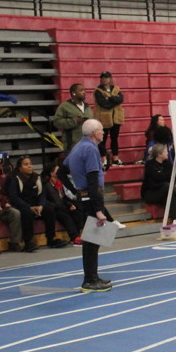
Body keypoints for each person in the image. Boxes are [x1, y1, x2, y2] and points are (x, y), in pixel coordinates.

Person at [66, 119, 112, 291]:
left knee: (93, 240)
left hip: (85, 197)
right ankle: (90, 279)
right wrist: (98, 209)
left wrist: (75, 190)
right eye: (101, 130)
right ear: (94, 133)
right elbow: (93, 181)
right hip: (91, 198)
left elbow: (62, 171)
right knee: (92, 242)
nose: (103, 133)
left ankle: (93, 276)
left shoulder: (78, 147)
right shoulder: (91, 149)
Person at [8, 156, 69, 250]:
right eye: (26, 164)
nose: (29, 166)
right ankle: (28, 242)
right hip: (22, 204)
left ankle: (51, 239)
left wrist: (41, 205)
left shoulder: (36, 177)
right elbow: (14, 197)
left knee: (50, 208)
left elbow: (42, 194)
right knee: (26, 212)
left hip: (36, 204)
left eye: (30, 164)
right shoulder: (14, 178)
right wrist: (29, 207)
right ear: (20, 167)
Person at [42, 161, 83, 243]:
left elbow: (63, 197)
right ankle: (74, 237)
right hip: (54, 209)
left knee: (77, 212)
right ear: (51, 173)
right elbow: (47, 200)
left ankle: (79, 234)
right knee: (65, 216)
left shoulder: (60, 182)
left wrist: (69, 204)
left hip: (62, 206)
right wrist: (61, 207)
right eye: (57, 170)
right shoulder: (46, 185)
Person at [93, 72, 125, 167]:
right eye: (103, 78)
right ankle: (104, 159)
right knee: (102, 139)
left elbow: (121, 99)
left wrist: (109, 98)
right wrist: (115, 100)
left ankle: (115, 158)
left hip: (116, 118)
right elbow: (104, 104)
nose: (105, 79)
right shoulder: (98, 91)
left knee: (115, 139)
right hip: (104, 119)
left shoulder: (116, 89)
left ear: (110, 78)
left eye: (107, 77)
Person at [53, 83, 93, 152]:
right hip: (72, 146)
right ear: (73, 93)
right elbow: (56, 122)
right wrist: (74, 121)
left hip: (88, 145)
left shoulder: (87, 107)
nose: (84, 92)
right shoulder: (65, 106)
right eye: (81, 90)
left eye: (84, 90)